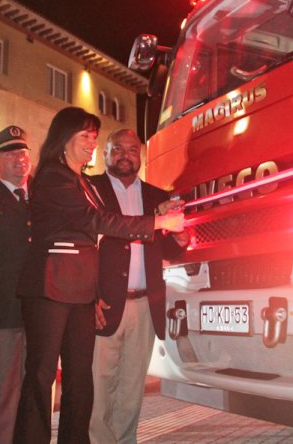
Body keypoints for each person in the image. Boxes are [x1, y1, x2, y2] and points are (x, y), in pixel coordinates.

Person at [14, 107, 184, 444]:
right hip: (51, 285)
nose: (91, 144)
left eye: (94, 137)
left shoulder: (80, 181)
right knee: (41, 376)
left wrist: (160, 219)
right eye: (85, 137)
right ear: (64, 138)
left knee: (80, 381)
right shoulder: (52, 175)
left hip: (80, 292)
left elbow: (106, 220)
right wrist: (157, 223)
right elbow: (97, 221)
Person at [88, 129, 188, 444]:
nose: (126, 155)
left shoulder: (159, 197)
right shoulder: (90, 189)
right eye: (117, 148)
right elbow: (81, 249)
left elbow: (167, 250)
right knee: (98, 390)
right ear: (104, 153)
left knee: (131, 390)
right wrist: (88, 299)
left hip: (145, 305)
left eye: (132, 149)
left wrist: (180, 241)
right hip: (103, 306)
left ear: (141, 155)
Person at [0, 125, 34, 444]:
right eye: (10, 153)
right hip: (3, 312)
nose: (19, 158)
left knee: (39, 390)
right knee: (6, 395)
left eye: (23, 152)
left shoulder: (41, 199)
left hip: (41, 311)